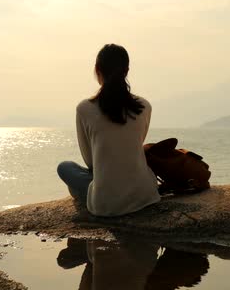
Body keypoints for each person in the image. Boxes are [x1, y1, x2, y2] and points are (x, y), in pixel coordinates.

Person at [57, 43, 160, 217]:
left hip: (106, 205)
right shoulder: (144, 106)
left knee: (65, 167)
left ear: (97, 69)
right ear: (126, 71)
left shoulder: (84, 108)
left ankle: (87, 194)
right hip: (144, 195)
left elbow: (91, 162)